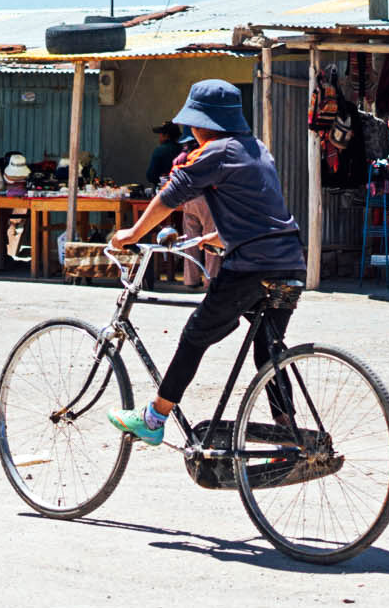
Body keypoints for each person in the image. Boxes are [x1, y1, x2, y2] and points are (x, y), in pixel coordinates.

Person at [106, 79, 302, 446]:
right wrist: (221, 237)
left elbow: (170, 196)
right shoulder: (255, 148)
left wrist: (132, 234)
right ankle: (289, 432)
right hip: (290, 260)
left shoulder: (215, 151)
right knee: (269, 346)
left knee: (196, 334)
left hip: (252, 265)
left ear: (201, 124)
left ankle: (153, 417)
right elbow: (259, 209)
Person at [144, 121, 186, 187]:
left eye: (160, 134)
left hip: (164, 190)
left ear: (166, 136)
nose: (159, 137)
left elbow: (151, 176)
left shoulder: (160, 150)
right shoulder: (183, 150)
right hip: (182, 190)